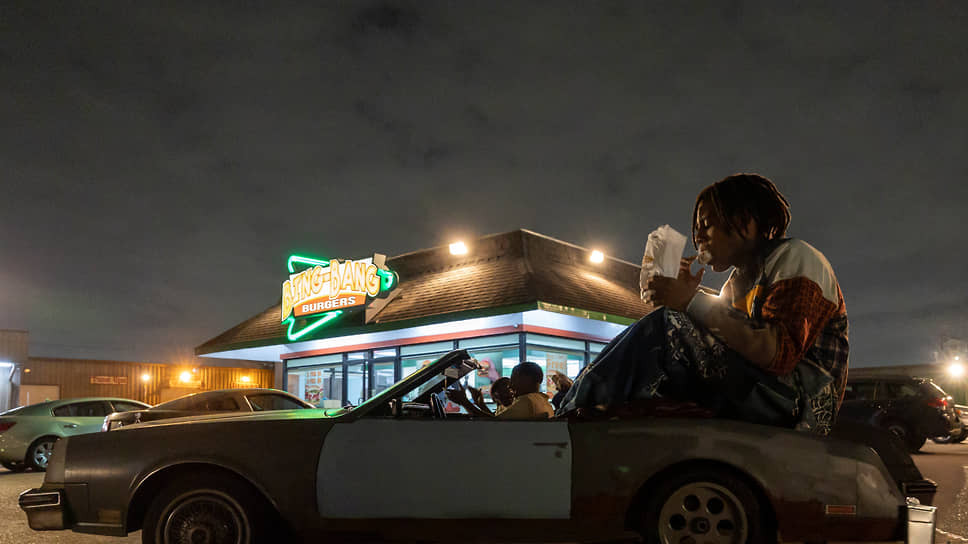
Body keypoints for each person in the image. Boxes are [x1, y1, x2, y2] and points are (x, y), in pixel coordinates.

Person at [558, 173, 849, 435]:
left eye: (707, 226)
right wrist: (685, 300)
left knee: (669, 325)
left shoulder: (795, 256)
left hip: (802, 404)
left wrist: (690, 302)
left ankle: (574, 411)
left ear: (747, 222)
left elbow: (778, 353)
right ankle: (596, 410)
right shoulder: (736, 283)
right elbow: (722, 340)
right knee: (672, 328)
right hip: (763, 392)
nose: (698, 238)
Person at [449, 362, 555, 419]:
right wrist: (479, 404)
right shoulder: (541, 400)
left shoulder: (527, 401)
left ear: (526, 379)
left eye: (514, 379)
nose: (511, 386)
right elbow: (496, 419)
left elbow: (495, 424)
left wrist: (465, 402)